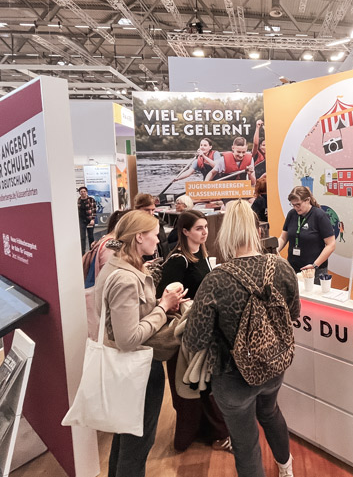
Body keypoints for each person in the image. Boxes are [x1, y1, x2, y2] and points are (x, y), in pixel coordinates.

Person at [184, 199, 300, 477]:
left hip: (232, 376)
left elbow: (195, 339)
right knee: (271, 413)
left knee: (246, 443)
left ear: (226, 233)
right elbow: (293, 313)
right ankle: (286, 469)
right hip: (274, 366)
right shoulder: (281, 267)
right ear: (256, 230)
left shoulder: (216, 280)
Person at [94, 210, 187, 477]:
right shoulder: (125, 277)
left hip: (133, 367)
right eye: (154, 234)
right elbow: (128, 339)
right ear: (138, 238)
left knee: (127, 437)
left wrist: (159, 305)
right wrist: (163, 307)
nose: (158, 240)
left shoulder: (121, 266)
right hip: (138, 367)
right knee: (138, 441)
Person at [156, 210, 232, 453]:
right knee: (194, 386)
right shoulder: (179, 260)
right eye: (199, 228)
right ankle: (214, 433)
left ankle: (210, 431)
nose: (205, 232)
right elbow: (164, 296)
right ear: (185, 231)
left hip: (203, 330)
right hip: (186, 335)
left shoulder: (202, 255)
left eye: (206, 227)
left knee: (204, 383)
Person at [277, 186, 336, 283]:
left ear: (307, 200)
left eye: (298, 205)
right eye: (293, 205)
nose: (296, 208)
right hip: (293, 268)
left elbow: (331, 244)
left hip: (314, 271)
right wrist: (275, 250)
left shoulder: (319, 215)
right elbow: (283, 238)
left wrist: (314, 265)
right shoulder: (292, 214)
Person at [134, 193, 168, 259]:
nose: (151, 213)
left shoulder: (158, 223)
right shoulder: (133, 226)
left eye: (153, 210)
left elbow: (164, 245)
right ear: (137, 209)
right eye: (146, 210)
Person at [78, 186, 97, 254]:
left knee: (91, 236)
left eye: (84, 191)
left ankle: (91, 250)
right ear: (79, 193)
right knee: (82, 236)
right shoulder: (78, 200)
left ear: (86, 192)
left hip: (89, 220)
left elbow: (94, 210)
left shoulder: (91, 200)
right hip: (81, 220)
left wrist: (93, 219)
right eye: (81, 192)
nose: (83, 193)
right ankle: (82, 252)